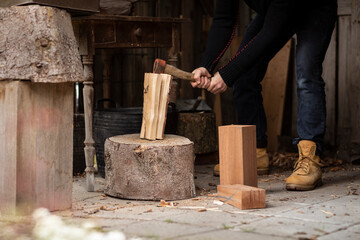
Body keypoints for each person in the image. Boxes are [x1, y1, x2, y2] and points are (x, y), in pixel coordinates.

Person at [191, 0, 337, 191]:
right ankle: (256, 152)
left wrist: (227, 75)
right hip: (275, 12)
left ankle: (310, 158)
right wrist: (206, 65)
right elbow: (224, 18)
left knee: (306, 74)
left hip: (315, 8)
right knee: (245, 74)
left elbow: (270, 34)